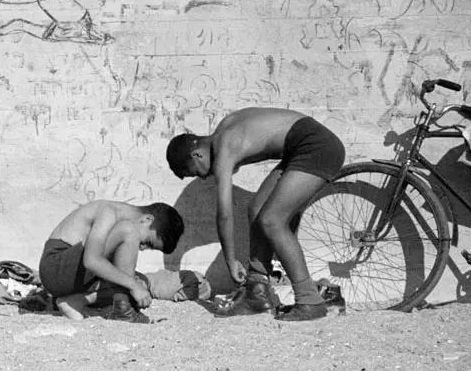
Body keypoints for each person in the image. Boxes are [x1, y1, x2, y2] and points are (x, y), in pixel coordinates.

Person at [165, 107, 345, 321]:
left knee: (271, 221)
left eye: (196, 171)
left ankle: (310, 301)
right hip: (300, 148)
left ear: (197, 154)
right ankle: (256, 292)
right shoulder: (225, 128)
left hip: (317, 147)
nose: (203, 178)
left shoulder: (224, 148)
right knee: (257, 210)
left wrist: (231, 260)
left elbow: (224, 214)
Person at [39, 200, 183, 322]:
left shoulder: (119, 222)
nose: (143, 248)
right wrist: (132, 284)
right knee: (129, 233)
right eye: (149, 242)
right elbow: (91, 261)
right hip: (55, 268)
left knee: (139, 282)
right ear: (147, 219)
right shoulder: (109, 212)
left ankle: (74, 301)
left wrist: (134, 284)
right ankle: (123, 310)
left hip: (71, 274)